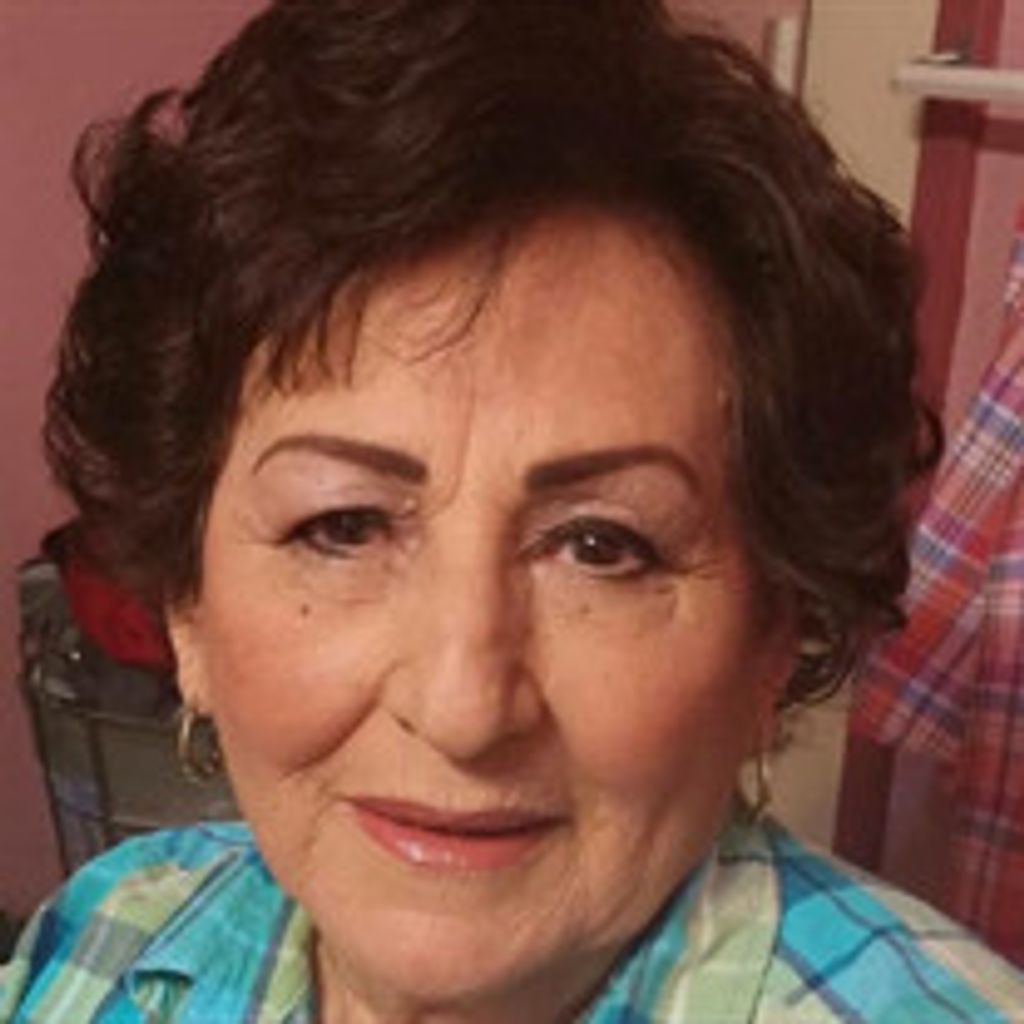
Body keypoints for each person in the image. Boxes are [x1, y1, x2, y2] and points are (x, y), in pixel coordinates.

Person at [3, 0, 1023, 1020]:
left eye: (600, 546)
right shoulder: (106, 944)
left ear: (774, 636)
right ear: (187, 605)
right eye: (344, 527)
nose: (464, 707)